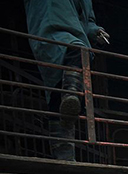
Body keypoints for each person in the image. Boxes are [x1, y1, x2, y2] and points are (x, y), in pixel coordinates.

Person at [23, 0, 110, 161]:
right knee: (75, 51)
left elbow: (87, 20)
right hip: (47, 27)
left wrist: (96, 31)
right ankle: (71, 93)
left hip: (73, 30)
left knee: (58, 99)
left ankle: (64, 154)